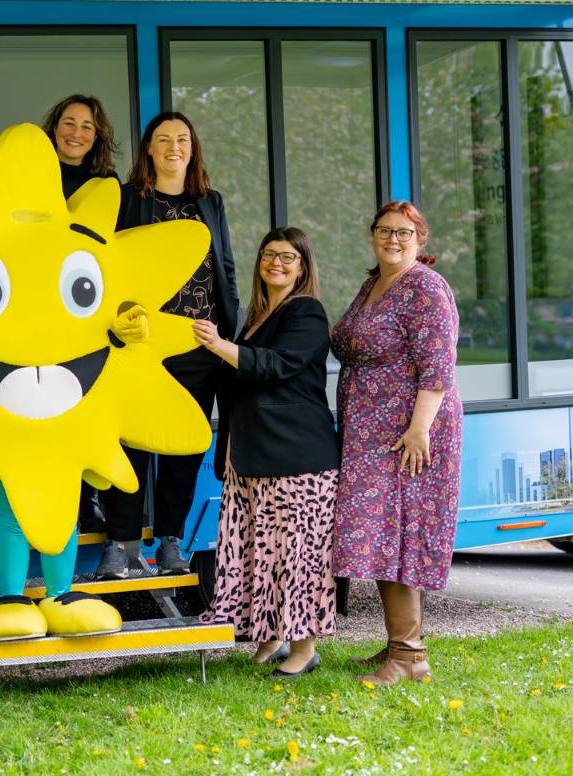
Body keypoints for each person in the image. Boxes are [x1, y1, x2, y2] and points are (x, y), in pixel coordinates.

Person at [98, 111, 239, 579]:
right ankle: (120, 545)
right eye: (164, 139)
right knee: (132, 445)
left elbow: (226, 268)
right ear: (150, 150)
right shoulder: (127, 199)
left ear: (192, 148)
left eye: (182, 139)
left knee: (182, 449)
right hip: (140, 351)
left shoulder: (210, 202)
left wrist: (226, 326)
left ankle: (170, 542)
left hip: (200, 348)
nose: (174, 147)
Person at [192, 229, 340, 677]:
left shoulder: (307, 313)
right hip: (252, 453)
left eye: (287, 256)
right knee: (263, 552)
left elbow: (275, 367)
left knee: (299, 555)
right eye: (269, 255)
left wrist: (219, 345)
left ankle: (303, 650)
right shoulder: (256, 314)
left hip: (297, 457)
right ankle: (271, 636)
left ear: (302, 266)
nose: (276, 263)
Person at [331, 201, 461, 686]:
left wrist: (419, 429)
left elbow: (438, 367)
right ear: (373, 236)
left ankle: (410, 657)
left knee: (396, 534)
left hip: (409, 433)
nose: (393, 239)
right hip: (372, 432)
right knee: (383, 533)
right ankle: (399, 644)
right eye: (385, 231)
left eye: (404, 232)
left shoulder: (425, 288)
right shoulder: (375, 284)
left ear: (420, 239)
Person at [40, 93, 120, 534]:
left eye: (86, 126)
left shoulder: (108, 186)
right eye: (68, 123)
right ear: (55, 128)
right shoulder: (31, 177)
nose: (76, 132)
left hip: (85, 318)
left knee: (81, 407)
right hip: (36, 315)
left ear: (96, 136)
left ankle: (85, 498)